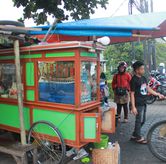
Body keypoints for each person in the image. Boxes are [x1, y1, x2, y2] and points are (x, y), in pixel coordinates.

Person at [130, 61, 165, 144]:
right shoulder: (133, 80)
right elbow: (131, 94)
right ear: (137, 70)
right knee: (139, 120)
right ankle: (138, 137)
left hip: (143, 102)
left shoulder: (143, 78)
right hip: (137, 103)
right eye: (141, 69)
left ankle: (134, 135)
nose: (143, 70)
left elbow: (148, 88)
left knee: (143, 120)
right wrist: (133, 107)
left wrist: (158, 94)